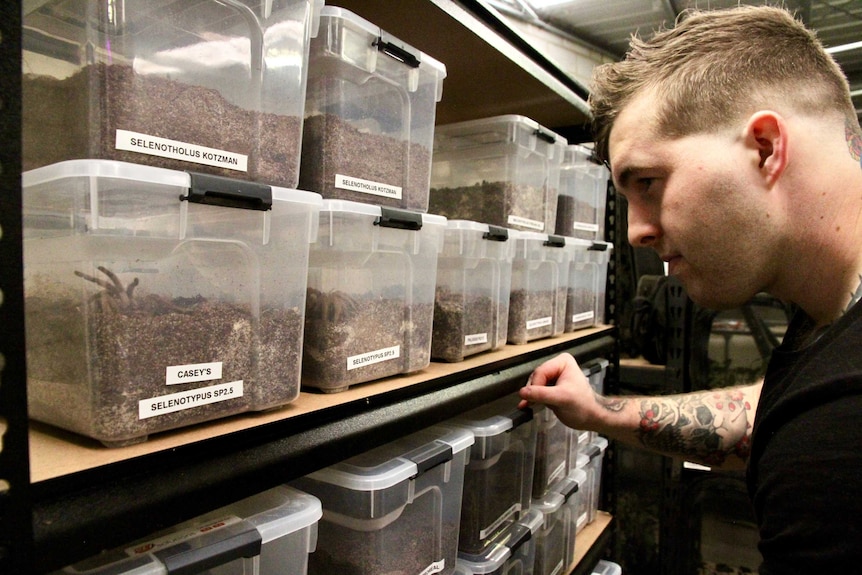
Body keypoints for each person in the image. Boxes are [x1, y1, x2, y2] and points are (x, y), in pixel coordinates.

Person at [518, 5, 862, 574]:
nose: (635, 231)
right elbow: (773, 414)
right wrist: (601, 411)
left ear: (766, 148)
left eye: (647, 181)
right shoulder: (830, 331)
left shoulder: (841, 436)